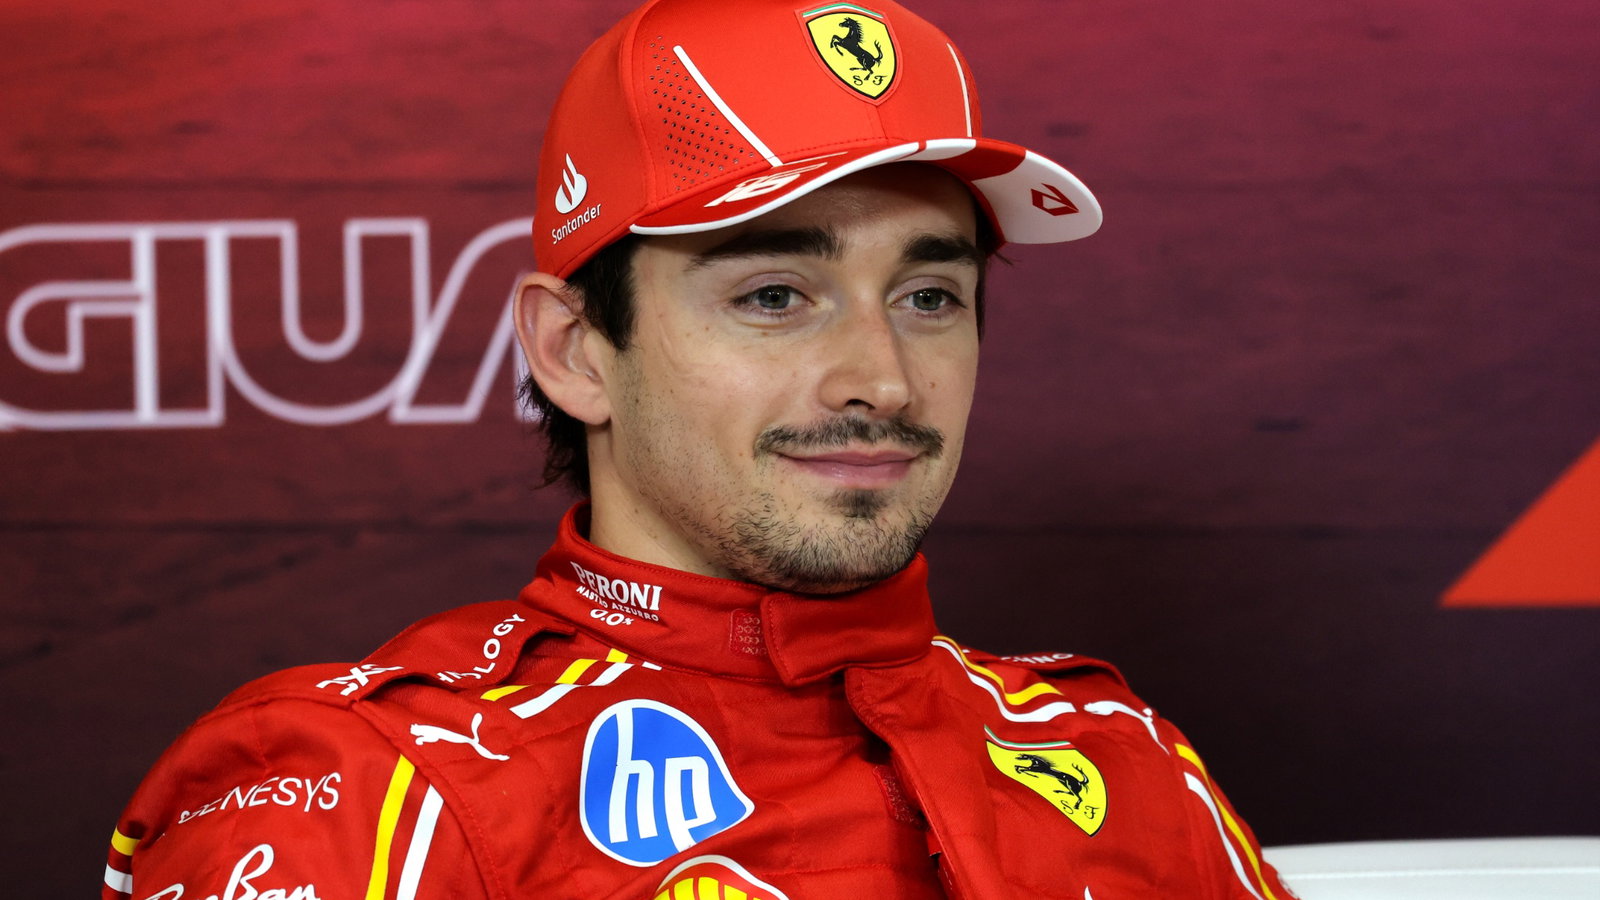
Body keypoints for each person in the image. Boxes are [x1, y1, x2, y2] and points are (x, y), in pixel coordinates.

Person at [104, 2, 1292, 898]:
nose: (881, 379)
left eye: (929, 296)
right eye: (776, 294)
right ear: (574, 349)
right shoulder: (367, 785)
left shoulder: (1119, 754)